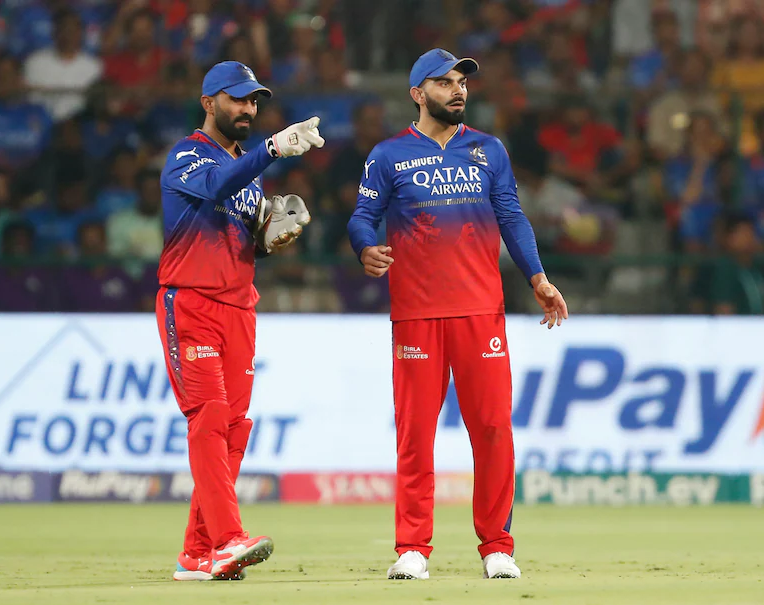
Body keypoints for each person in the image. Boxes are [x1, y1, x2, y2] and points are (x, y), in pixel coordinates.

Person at [347, 48, 569, 581]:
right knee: (415, 433)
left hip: (480, 313)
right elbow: (362, 216)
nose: (458, 90)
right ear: (417, 94)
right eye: (444, 83)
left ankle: (497, 545)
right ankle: (413, 549)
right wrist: (364, 248)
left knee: (492, 429)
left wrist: (537, 277)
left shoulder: (489, 150)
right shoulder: (388, 155)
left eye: (461, 82)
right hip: (417, 315)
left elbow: (512, 216)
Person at [156, 60, 324, 582]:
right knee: (208, 417)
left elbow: (243, 240)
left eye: (254, 101)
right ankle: (229, 539)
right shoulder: (187, 155)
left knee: (233, 428)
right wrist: (272, 149)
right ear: (209, 103)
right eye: (237, 99)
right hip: (192, 305)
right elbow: (215, 187)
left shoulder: (249, 181)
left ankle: (197, 552)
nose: (248, 109)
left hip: (239, 310)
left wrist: (270, 238)